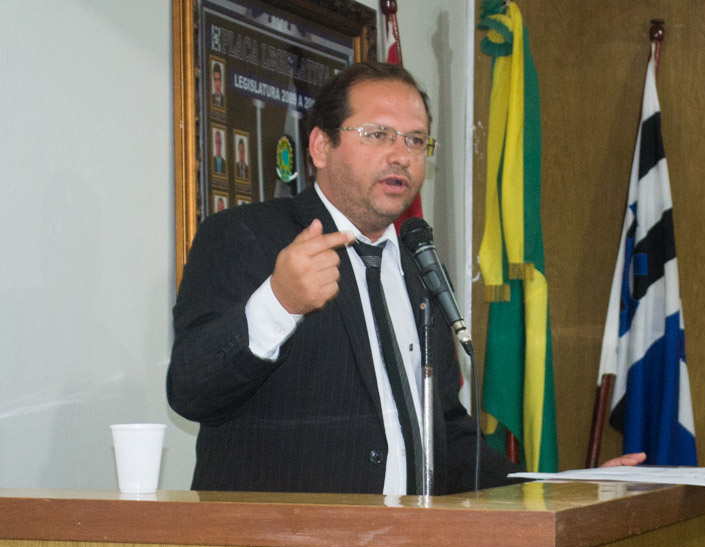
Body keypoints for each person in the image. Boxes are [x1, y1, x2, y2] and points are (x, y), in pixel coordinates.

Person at [167, 62, 642, 496]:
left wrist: (559, 487)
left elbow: (445, 438)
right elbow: (191, 390)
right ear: (320, 146)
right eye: (378, 135)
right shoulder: (247, 235)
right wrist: (278, 302)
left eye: (416, 140)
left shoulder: (418, 263)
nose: (401, 155)